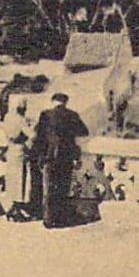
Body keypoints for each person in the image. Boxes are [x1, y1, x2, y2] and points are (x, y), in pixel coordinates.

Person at [30, 92, 89, 229]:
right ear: (65, 102)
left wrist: (40, 155)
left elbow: (39, 137)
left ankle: (48, 219)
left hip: (50, 157)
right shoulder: (72, 115)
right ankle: (60, 218)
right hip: (66, 156)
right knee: (63, 187)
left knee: (50, 188)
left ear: (53, 101)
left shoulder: (45, 115)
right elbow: (84, 131)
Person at [2, 98, 38, 218]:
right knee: (21, 179)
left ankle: (12, 206)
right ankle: (18, 207)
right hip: (20, 150)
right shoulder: (20, 120)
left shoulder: (7, 117)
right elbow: (32, 135)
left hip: (10, 149)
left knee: (12, 179)